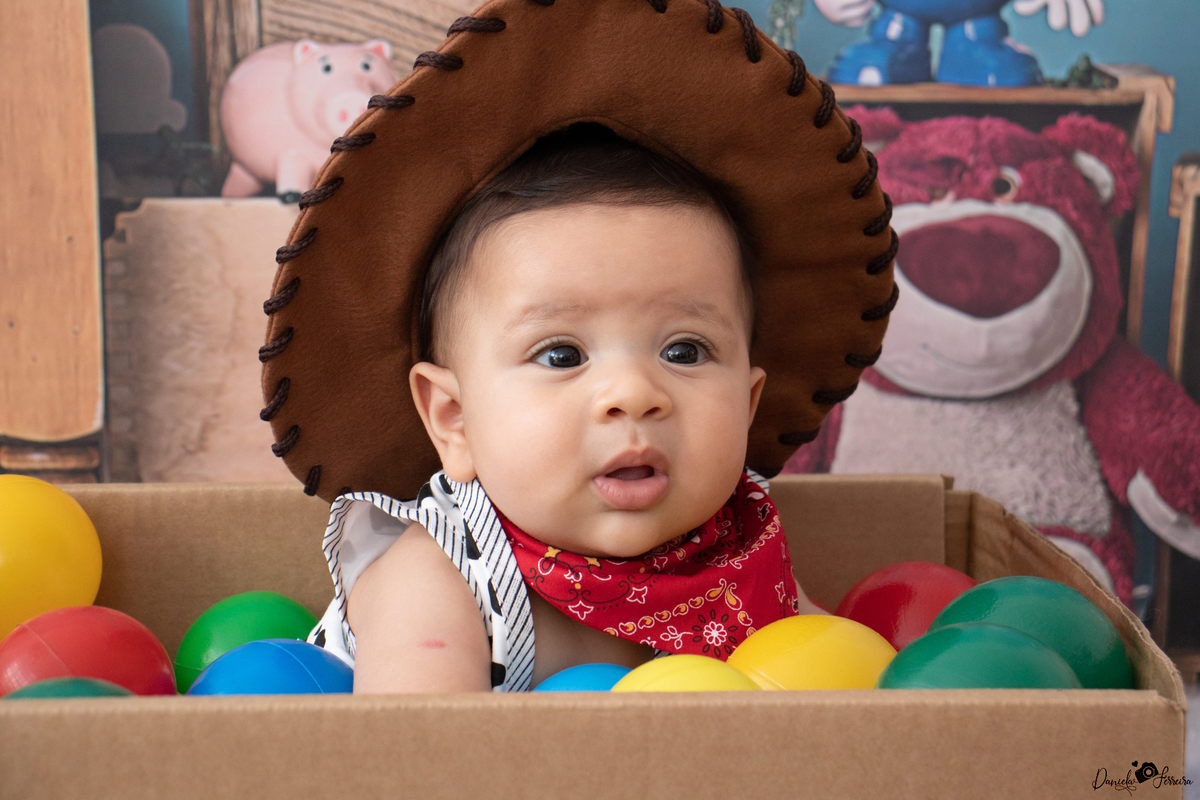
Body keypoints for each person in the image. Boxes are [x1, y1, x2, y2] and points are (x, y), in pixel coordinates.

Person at [258, 0, 898, 693]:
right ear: (454, 418)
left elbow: (834, 688)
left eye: (684, 351)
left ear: (747, 405)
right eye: (562, 355)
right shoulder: (437, 576)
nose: (634, 394)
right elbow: (418, 762)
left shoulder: (741, 549)